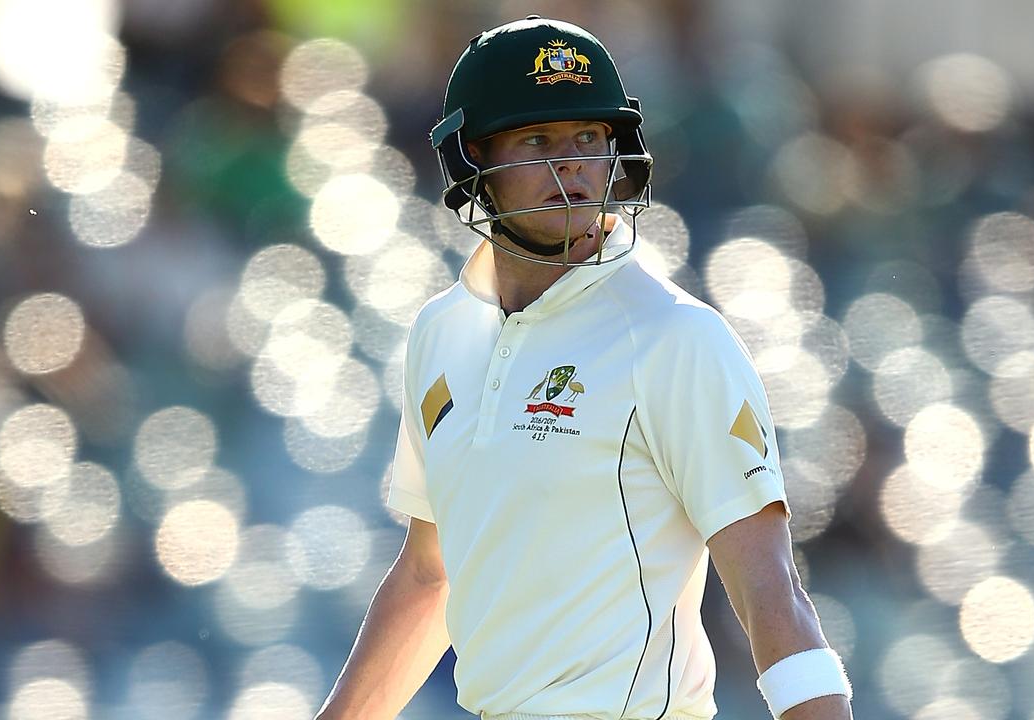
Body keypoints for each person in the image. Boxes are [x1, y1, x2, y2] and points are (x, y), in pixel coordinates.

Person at [315, 16, 852, 720]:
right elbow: (427, 576)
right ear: (475, 157)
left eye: (589, 139)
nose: (570, 165)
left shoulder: (675, 337)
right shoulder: (440, 335)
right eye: (537, 139)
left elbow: (771, 589)